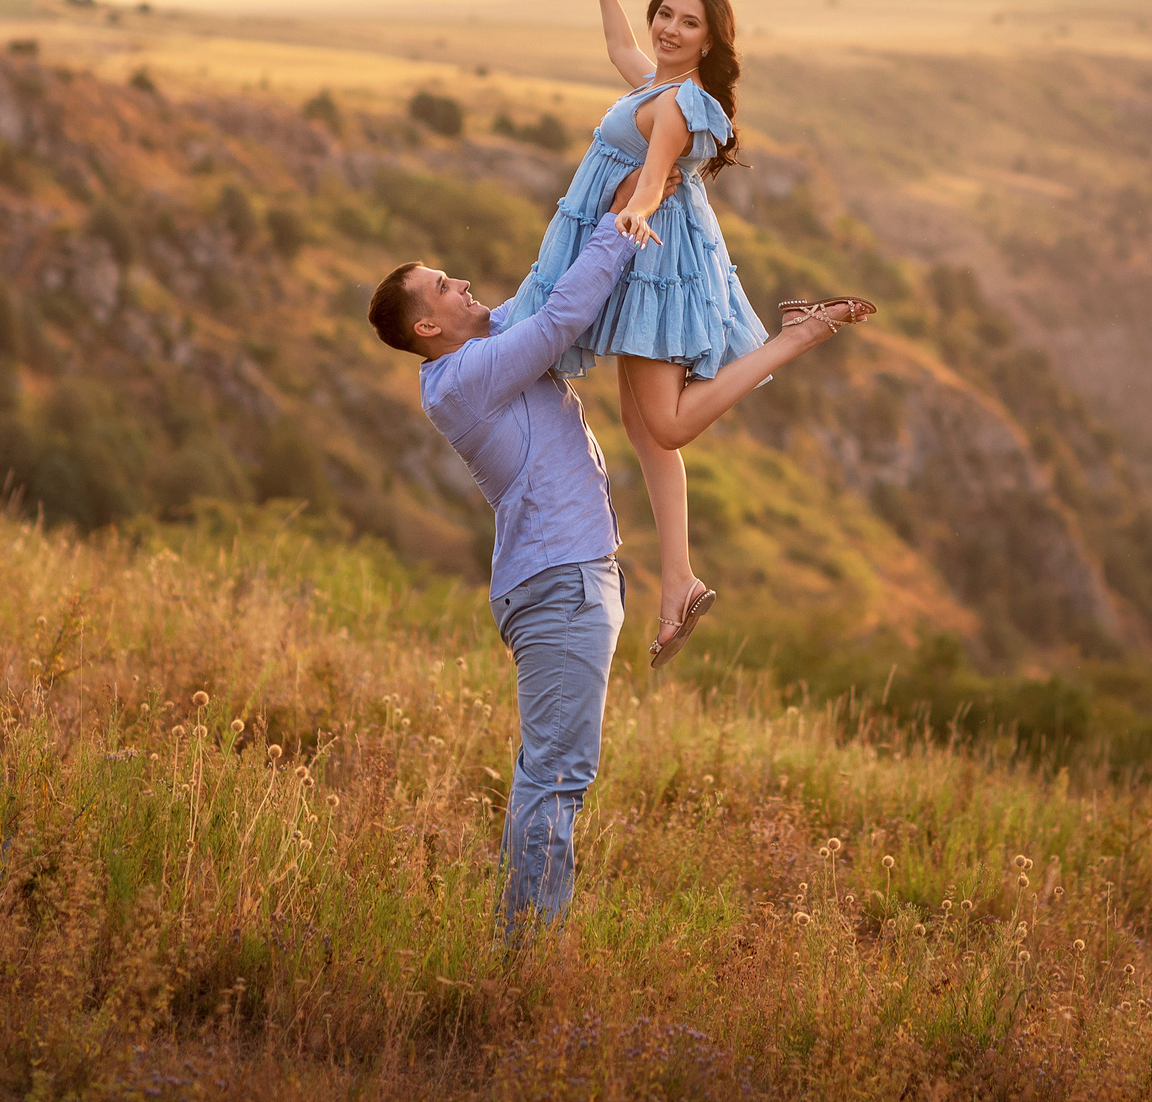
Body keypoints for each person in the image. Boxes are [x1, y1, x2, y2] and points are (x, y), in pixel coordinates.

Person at [368, 201, 865, 935]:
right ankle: (527, 953)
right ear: (427, 327)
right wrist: (621, 226)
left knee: (548, 771)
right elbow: (558, 319)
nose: (463, 282)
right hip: (560, 586)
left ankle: (520, 940)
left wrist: (616, 194)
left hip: (563, 583)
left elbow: (544, 286)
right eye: (444, 285)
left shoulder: (475, 355)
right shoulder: (465, 376)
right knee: (556, 777)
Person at [501, 0, 874, 667]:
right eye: (664, 13)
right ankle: (680, 581)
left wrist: (633, 212)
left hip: (654, 266)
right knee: (647, 437)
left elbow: (654, 172)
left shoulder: (677, 103)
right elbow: (618, 47)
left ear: (710, 41)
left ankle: (794, 336)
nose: (669, 27)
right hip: (654, 258)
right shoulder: (655, 83)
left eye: (688, 21)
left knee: (664, 429)